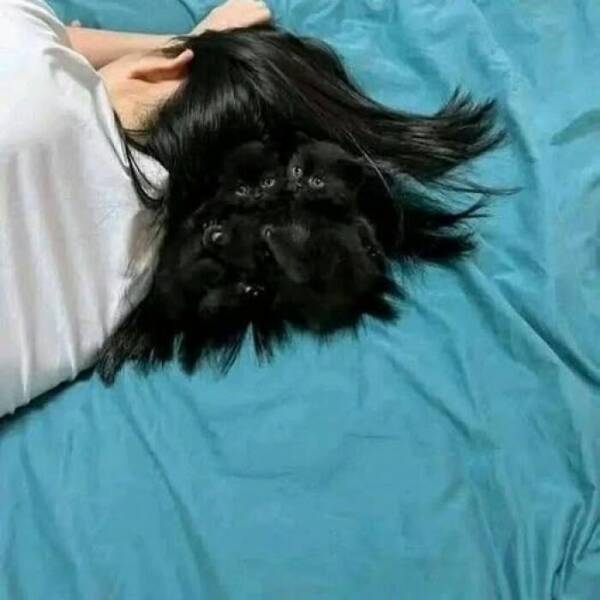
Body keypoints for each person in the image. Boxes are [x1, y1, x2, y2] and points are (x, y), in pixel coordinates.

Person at [0, 0, 271, 417]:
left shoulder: (26, 51)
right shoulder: (129, 291)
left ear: (159, 70)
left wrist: (184, 42)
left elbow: (51, 42)